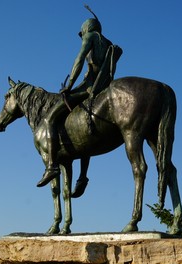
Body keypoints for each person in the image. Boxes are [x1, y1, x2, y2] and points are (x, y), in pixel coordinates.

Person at [37, 8, 123, 188]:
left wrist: (68, 86)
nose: (82, 34)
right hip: (105, 86)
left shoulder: (90, 37)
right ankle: (83, 177)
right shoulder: (108, 43)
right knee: (83, 134)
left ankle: (52, 166)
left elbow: (78, 60)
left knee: (50, 118)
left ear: (87, 28)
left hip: (89, 87)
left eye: (82, 31)